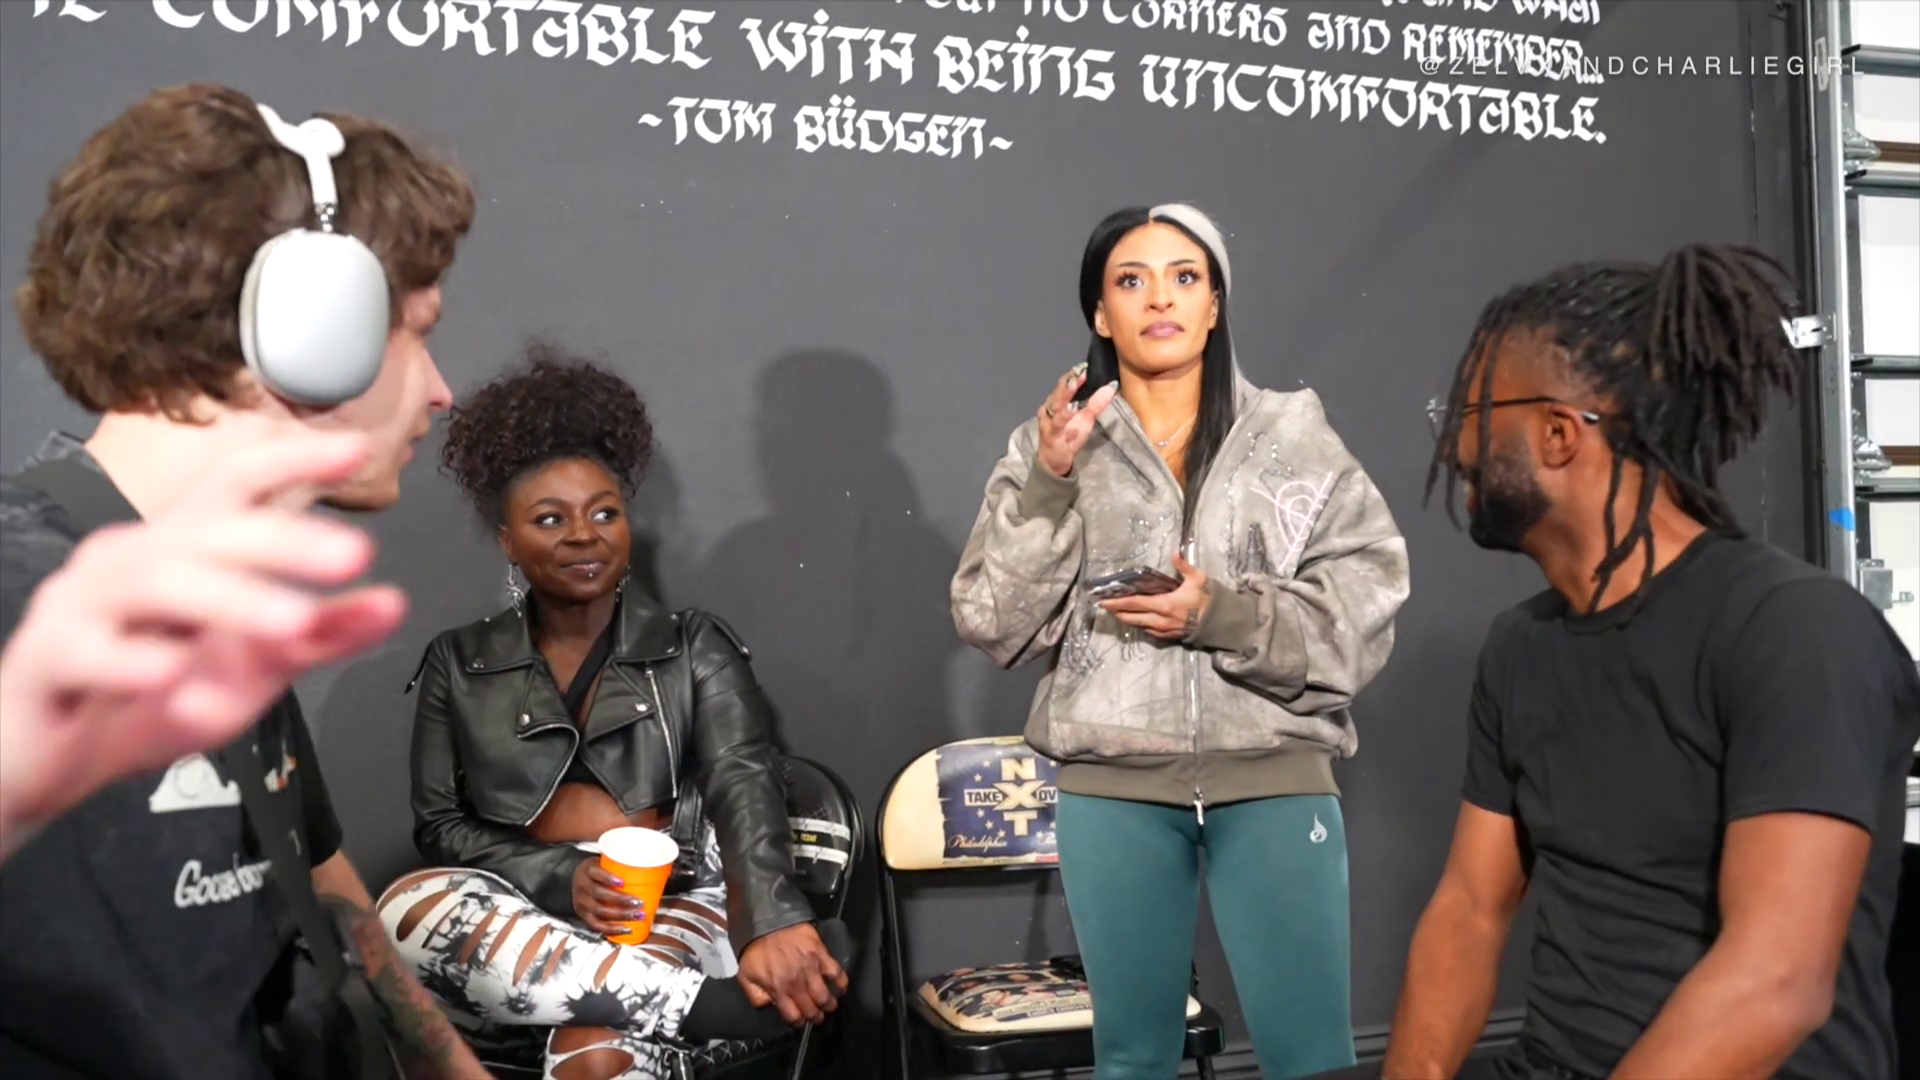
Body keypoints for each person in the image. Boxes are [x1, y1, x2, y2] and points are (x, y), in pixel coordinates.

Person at [1320, 244, 1920, 1079]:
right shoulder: (1522, 647)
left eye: (1472, 410)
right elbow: (1470, 911)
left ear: (1558, 434)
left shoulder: (1795, 629)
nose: (1453, 442)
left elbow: (1775, 984)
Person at [0, 83, 491, 1078]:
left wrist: (449, 1065)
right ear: (313, 327)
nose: (442, 390)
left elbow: (315, 874)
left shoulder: (207, 594)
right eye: (418, 331)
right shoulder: (26, 597)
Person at [950, 203, 1411, 1080]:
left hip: (1274, 776)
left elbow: (1365, 604)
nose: (1160, 298)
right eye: (1132, 281)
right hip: (1112, 788)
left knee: (1311, 1059)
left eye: (1185, 277)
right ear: (1100, 314)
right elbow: (991, 618)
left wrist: (1222, 616)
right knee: (1131, 1059)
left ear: (1215, 304)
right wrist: (1049, 482)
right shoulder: (1054, 446)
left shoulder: (1293, 436)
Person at [378, 348, 854, 1080]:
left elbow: (742, 777)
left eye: (605, 512)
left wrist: (774, 920)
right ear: (508, 540)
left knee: (594, 1051)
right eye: (550, 519)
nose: (583, 534)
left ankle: (653, 1000)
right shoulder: (458, 661)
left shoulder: (695, 645)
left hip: (676, 903)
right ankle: (709, 1008)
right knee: (403, 909)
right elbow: (442, 826)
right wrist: (561, 874)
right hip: (523, 922)